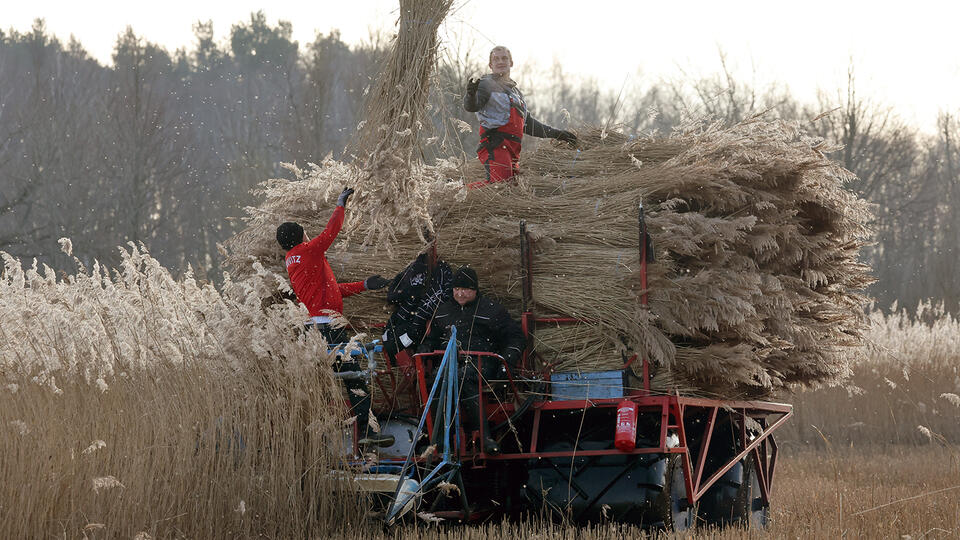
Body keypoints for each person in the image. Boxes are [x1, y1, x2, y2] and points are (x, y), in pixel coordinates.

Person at [276, 187, 393, 446]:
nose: (309, 235)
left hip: (319, 327)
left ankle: (360, 432)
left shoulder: (296, 259)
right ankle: (367, 433)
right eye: (305, 232)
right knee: (354, 377)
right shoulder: (307, 252)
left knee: (347, 377)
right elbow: (330, 233)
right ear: (299, 236)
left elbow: (332, 291)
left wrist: (364, 285)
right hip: (327, 328)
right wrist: (341, 205)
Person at [418, 266, 525, 454]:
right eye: (456, 289)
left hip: (482, 362)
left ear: (474, 290)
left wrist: (507, 360)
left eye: (465, 290)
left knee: (464, 377)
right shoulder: (442, 312)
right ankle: (441, 440)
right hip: (449, 361)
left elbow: (516, 337)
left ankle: (480, 437)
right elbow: (432, 338)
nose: (460, 294)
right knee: (440, 378)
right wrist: (424, 349)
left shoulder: (491, 310)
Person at [463, 45, 577, 184]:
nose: (500, 62)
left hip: (513, 150)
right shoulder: (486, 84)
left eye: (504, 58)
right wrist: (471, 94)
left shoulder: (516, 93)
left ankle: (461, 190)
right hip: (496, 145)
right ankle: (457, 193)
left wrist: (558, 134)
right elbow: (472, 106)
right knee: (500, 186)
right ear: (490, 65)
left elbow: (528, 124)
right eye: (496, 59)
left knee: (512, 187)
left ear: (511, 63)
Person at [381, 250, 454, 358]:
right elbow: (394, 294)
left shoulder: (441, 271)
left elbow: (446, 294)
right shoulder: (413, 271)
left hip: (427, 321)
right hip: (410, 320)